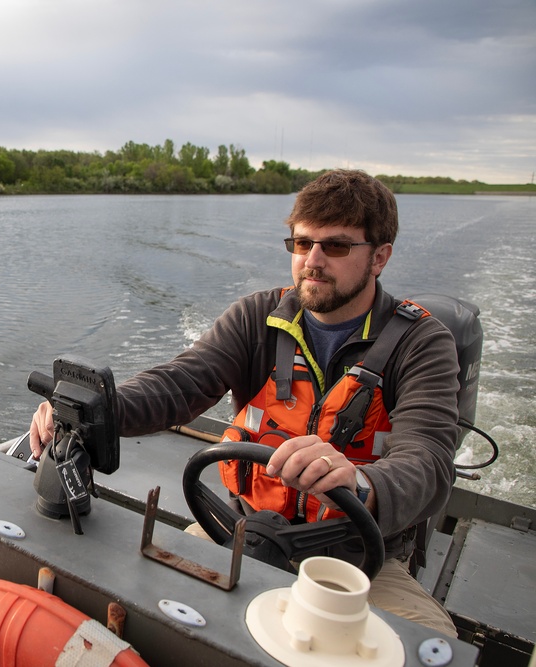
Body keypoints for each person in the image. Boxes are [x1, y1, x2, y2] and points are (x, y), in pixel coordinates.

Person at [29, 169, 459, 637]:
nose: (312, 261)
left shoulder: (422, 343)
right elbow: (179, 383)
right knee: (140, 611)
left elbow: (428, 460)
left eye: (334, 246)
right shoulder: (257, 318)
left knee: (432, 646)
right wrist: (94, 408)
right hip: (240, 530)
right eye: (301, 243)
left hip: (357, 561)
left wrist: (361, 481)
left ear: (379, 257)